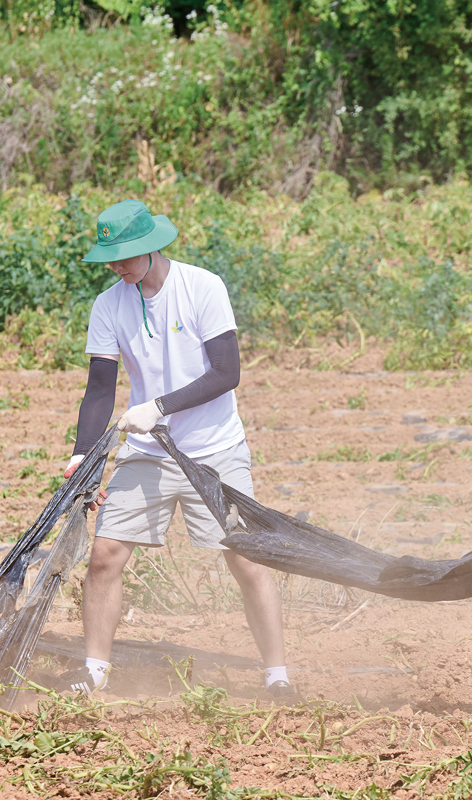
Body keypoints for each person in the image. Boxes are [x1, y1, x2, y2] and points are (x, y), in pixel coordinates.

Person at [54, 199, 293, 698]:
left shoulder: (202, 287)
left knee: (247, 559)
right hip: (149, 451)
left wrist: (158, 405)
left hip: (214, 449)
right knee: (105, 554)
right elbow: (100, 389)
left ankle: (277, 676)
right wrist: (82, 455)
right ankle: (95, 671)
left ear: (152, 246)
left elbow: (227, 373)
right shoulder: (108, 305)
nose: (117, 266)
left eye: (126, 256)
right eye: (110, 258)